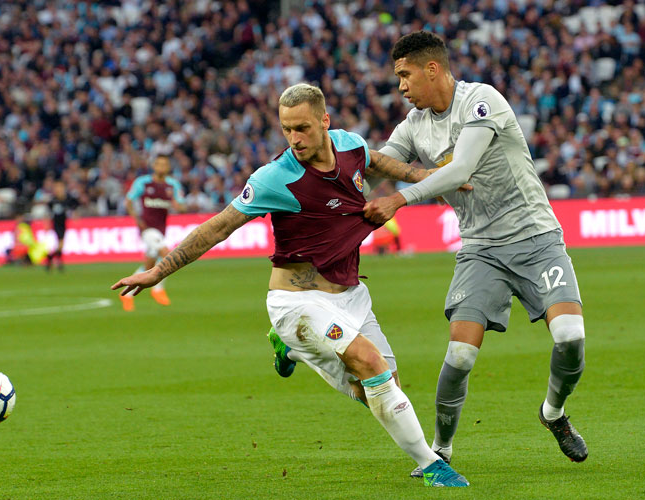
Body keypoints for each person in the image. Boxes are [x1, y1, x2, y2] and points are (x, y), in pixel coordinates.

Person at [112, 83, 469, 487]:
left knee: (382, 387)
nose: (295, 139)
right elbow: (218, 227)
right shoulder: (275, 178)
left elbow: (380, 163)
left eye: (302, 128)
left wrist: (428, 178)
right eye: (287, 130)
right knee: (369, 362)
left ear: (324, 121)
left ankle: (294, 352)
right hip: (297, 301)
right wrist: (158, 271)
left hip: (352, 294)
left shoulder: (349, 145)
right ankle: (432, 466)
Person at [363, 31, 588, 476]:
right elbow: (375, 169)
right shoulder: (412, 126)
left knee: (570, 338)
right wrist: (335, 182)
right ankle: (440, 449)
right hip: (481, 250)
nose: (401, 87)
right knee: (461, 356)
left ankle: (553, 413)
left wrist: (400, 198)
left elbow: (461, 168)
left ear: (433, 69)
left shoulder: (481, 101)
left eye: (405, 75)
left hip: (537, 238)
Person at [122, 154, 186, 311]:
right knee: (167, 255)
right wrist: (137, 219)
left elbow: (182, 205)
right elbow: (129, 201)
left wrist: (178, 205)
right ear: (154, 166)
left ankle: (126, 295)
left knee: (149, 266)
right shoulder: (143, 182)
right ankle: (158, 289)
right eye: (158, 164)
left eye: (164, 164)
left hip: (161, 229)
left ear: (168, 167)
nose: (161, 167)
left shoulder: (173, 185)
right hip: (147, 228)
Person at [47, 180, 78, 272]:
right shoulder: (53, 200)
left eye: (60, 187)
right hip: (56, 224)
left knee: (61, 245)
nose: (58, 189)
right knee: (60, 244)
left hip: (63, 224)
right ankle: (56, 261)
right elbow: (49, 213)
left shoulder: (67, 199)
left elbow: (74, 207)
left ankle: (51, 259)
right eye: (56, 187)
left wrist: (75, 214)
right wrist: (47, 223)